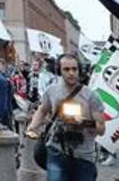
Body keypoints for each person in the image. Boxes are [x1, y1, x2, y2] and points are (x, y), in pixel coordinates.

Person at [27, 53, 106, 181]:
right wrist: (32, 126)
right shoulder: (51, 91)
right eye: (66, 69)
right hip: (56, 151)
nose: (71, 73)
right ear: (59, 71)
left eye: (74, 69)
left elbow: (101, 129)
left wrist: (83, 123)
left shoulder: (91, 96)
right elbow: (42, 110)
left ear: (79, 70)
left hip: (83, 157)